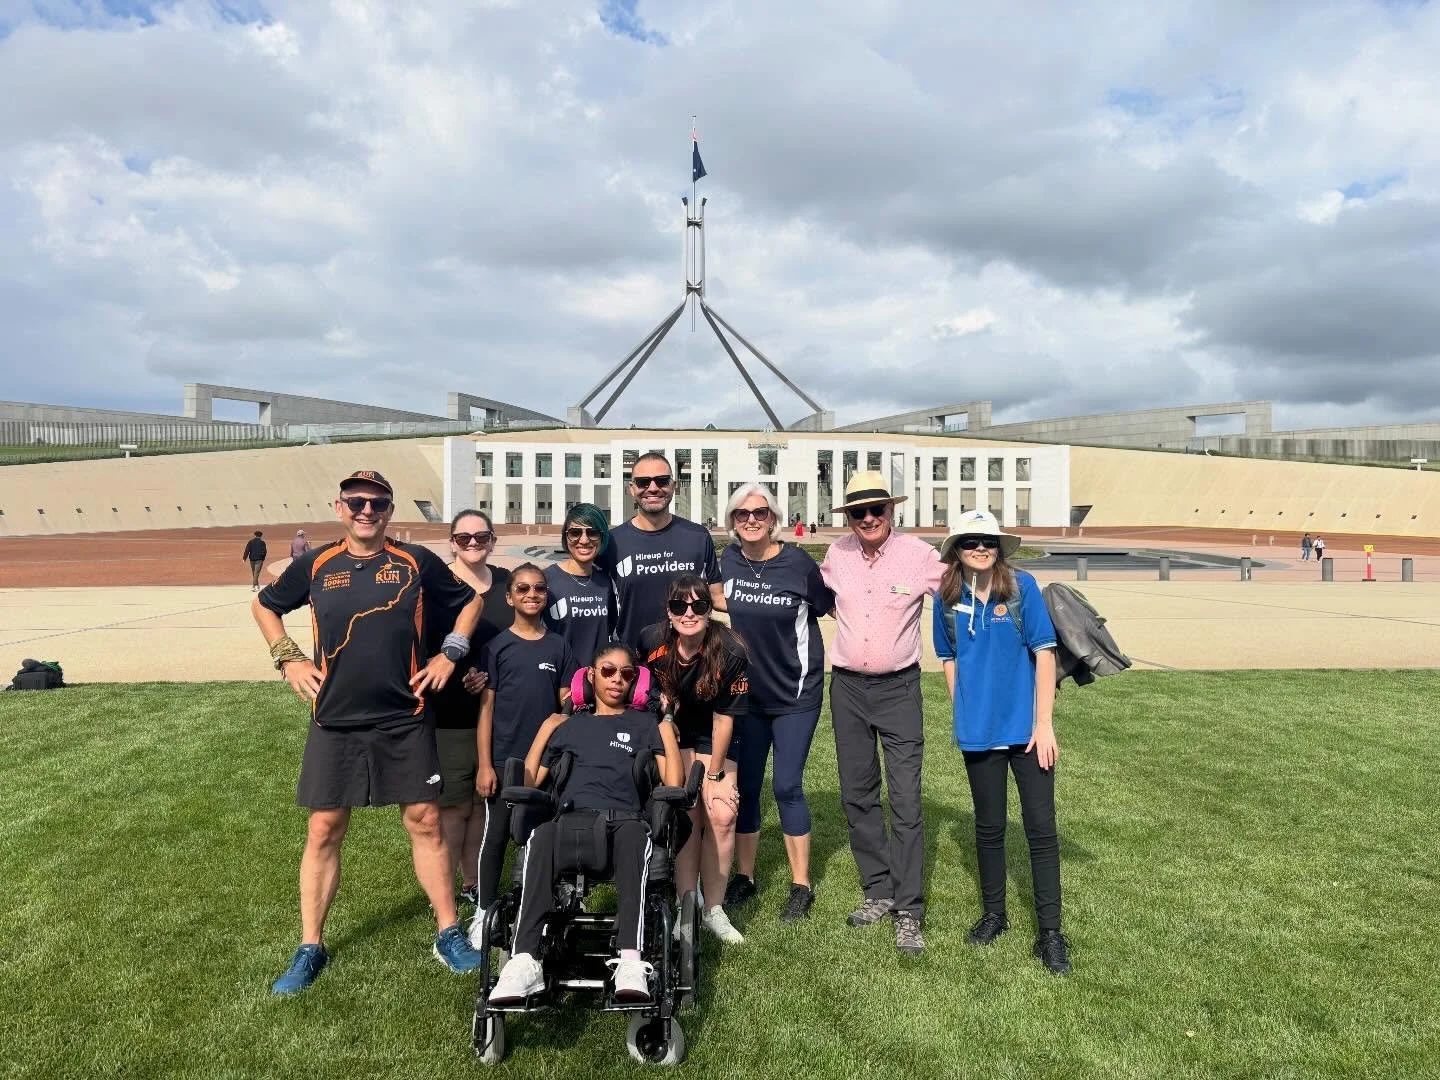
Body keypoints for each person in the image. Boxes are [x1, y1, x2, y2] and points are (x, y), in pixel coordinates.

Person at [252, 469, 486, 995]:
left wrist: (451, 652)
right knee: (324, 828)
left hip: (404, 717)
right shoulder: (316, 564)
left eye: (377, 503)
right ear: (339, 507)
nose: (367, 510)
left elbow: (470, 601)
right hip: (334, 718)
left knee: (425, 820)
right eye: (357, 501)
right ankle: (310, 944)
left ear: (389, 510)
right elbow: (265, 605)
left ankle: (448, 931)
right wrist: (286, 657)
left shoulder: (414, 562)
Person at [488, 643, 683, 1005]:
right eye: (607, 671)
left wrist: (667, 730)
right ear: (590, 677)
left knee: (632, 837)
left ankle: (629, 960)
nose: (616, 680)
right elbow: (529, 782)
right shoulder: (569, 727)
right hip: (570, 823)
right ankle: (524, 961)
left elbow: (671, 782)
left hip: (624, 823)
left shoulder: (644, 725)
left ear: (635, 681)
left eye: (627, 674)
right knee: (542, 833)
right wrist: (546, 728)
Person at [932, 510, 1071, 975]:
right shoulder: (947, 598)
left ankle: (1050, 932)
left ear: (999, 546)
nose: (980, 547)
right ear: (957, 548)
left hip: (1029, 731)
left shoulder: (1021, 588)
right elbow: (948, 657)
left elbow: (1045, 653)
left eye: (988, 540)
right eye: (971, 540)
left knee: (1040, 829)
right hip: (979, 731)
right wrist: (963, 705)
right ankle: (995, 913)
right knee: (989, 828)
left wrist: (1044, 723)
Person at [820, 470, 943, 955]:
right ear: (848, 516)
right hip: (847, 687)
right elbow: (814, 600)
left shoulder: (919, 556)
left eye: (877, 509)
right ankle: (879, 889)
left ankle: (910, 909)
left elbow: (963, 591)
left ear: (892, 511)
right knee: (857, 793)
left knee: (907, 799)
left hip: (899, 689)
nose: (868, 518)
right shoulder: (837, 555)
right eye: (858, 512)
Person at [718, 483, 834, 922]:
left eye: (760, 513)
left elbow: (827, 606)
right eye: (743, 514)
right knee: (746, 786)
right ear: (732, 521)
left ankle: (801, 885)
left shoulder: (798, 563)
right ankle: (745, 878)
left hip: (795, 695)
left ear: (773, 519)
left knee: (786, 785)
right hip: (747, 698)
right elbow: (712, 596)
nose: (751, 519)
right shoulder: (728, 561)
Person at [641, 574, 748, 945]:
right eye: (679, 606)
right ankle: (686, 902)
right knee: (685, 814)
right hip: (675, 734)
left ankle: (714, 908)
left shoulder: (731, 648)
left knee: (721, 814)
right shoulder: (651, 641)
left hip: (714, 732)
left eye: (699, 605)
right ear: (668, 612)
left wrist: (716, 773)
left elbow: (725, 719)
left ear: (710, 608)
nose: (689, 613)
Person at [473, 563, 576, 913]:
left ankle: (543, 905)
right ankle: (484, 911)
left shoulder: (559, 646)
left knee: (545, 834)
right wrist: (486, 765)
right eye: (523, 589)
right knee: (498, 835)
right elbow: (486, 710)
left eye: (539, 589)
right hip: (506, 760)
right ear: (509, 597)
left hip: (548, 761)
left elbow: (565, 705)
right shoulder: (497, 647)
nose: (532, 595)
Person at [430, 509, 516, 909]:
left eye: (481, 537)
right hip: (450, 711)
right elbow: (423, 645)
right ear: (452, 543)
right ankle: (445, 887)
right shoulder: (437, 586)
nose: (473, 544)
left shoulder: (504, 585)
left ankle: (474, 881)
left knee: (484, 801)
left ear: (492, 540)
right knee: (453, 804)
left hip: (498, 711)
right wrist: (455, 674)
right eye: (463, 538)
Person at [598, 452, 724, 652]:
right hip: (633, 665)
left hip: (690, 660)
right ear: (632, 489)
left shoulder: (698, 537)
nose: (653, 488)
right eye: (643, 482)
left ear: (673, 486)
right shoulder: (612, 543)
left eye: (662, 481)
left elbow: (718, 598)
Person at [544, 503, 616, 670]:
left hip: (599, 682)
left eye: (592, 532)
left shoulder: (607, 582)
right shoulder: (547, 580)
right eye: (575, 533)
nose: (584, 540)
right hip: (561, 683)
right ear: (565, 536)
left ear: (602, 537)